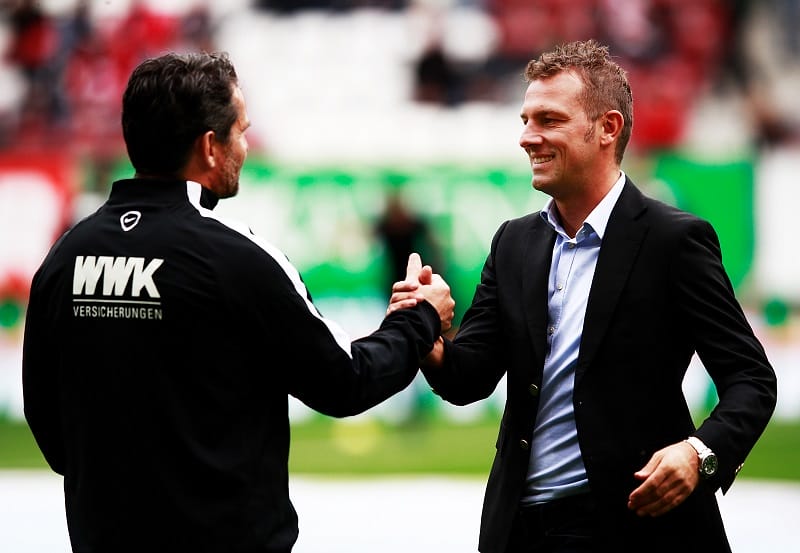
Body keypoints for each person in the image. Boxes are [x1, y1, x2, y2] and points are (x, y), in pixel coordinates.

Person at [22, 51, 454, 553]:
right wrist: (420, 318)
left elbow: (45, 417)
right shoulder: (234, 255)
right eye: (241, 131)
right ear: (210, 146)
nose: (245, 147)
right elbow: (345, 381)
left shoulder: (66, 255)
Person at [389, 39, 777, 552]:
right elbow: (468, 379)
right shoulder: (513, 242)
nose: (528, 137)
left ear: (607, 128)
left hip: (639, 528)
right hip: (521, 529)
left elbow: (751, 377)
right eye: (525, 120)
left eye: (548, 120)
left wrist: (699, 453)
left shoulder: (673, 241)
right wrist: (428, 329)